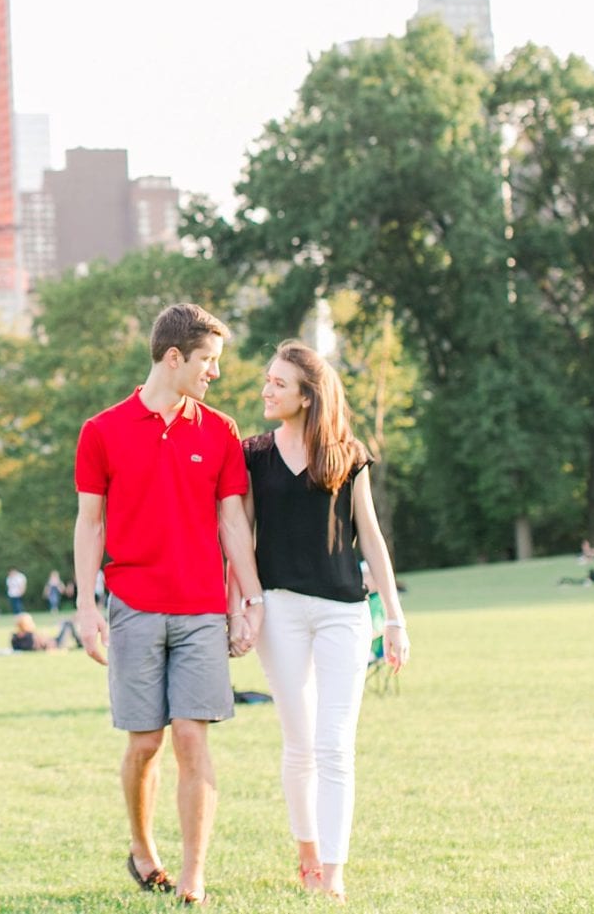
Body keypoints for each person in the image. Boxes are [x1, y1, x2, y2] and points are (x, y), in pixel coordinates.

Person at [74, 302, 261, 904]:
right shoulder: (101, 431)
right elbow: (89, 525)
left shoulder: (221, 431)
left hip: (203, 607)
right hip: (132, 605)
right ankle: (141, 847)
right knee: (145, 741)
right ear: (173, 357)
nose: (214, 373)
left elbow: (234, 523)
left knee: (191, 736)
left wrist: (247, 599)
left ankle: (192, 875)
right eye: (207, 361)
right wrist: (86, 605)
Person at [240, 340, 409, 905]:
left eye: (279, 383)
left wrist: (394, 620)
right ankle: (306, 851)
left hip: (343, 612)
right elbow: (237, 536)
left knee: (336, 744)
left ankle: (333, 871)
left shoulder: (348, 455)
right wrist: (240, 603)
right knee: (300, 742)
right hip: (279, 611)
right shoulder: (252, 455)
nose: (266, 389)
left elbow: (373, 539)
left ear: (308, 397)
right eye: (267, 380)